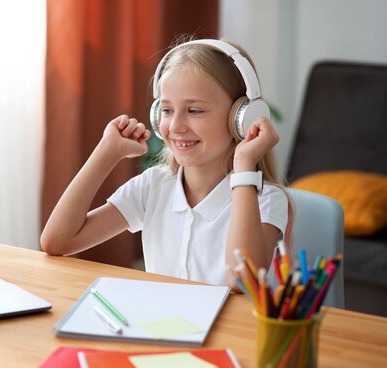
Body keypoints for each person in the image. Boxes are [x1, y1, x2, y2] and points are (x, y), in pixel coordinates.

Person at [40, 37, 292, 290]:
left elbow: (242, 280)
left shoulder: (265, 200)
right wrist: (105, 154)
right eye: (167, 110)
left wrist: (244, 164)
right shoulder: (153, 187)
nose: (175, 126)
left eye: (194, 111)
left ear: (241, 119)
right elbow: (58, 241)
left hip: (229, 330)